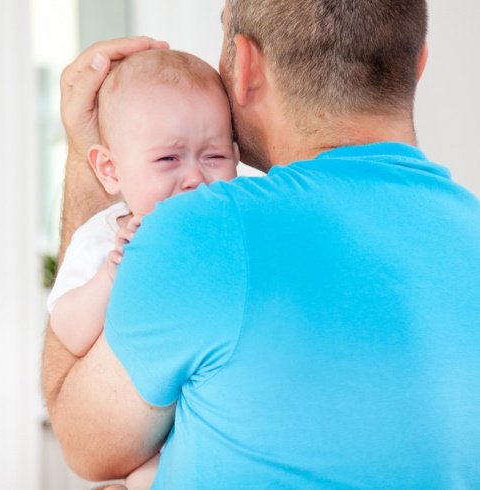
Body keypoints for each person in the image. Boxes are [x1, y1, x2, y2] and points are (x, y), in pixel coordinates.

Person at [43, 1, 480, 489]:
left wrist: (88, 158)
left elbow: (86, 445)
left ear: (245, 66)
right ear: (419, 64)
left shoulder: (200, 232)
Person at [46, 49, 238, 489]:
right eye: (168, 159)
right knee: (142, 478)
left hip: (213, 420)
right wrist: (110, 277)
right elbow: (69, 331)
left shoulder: (233, 225)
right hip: (143, 436)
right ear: (110, 170)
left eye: (214, 158)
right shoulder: (101, 239)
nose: (194, 178)